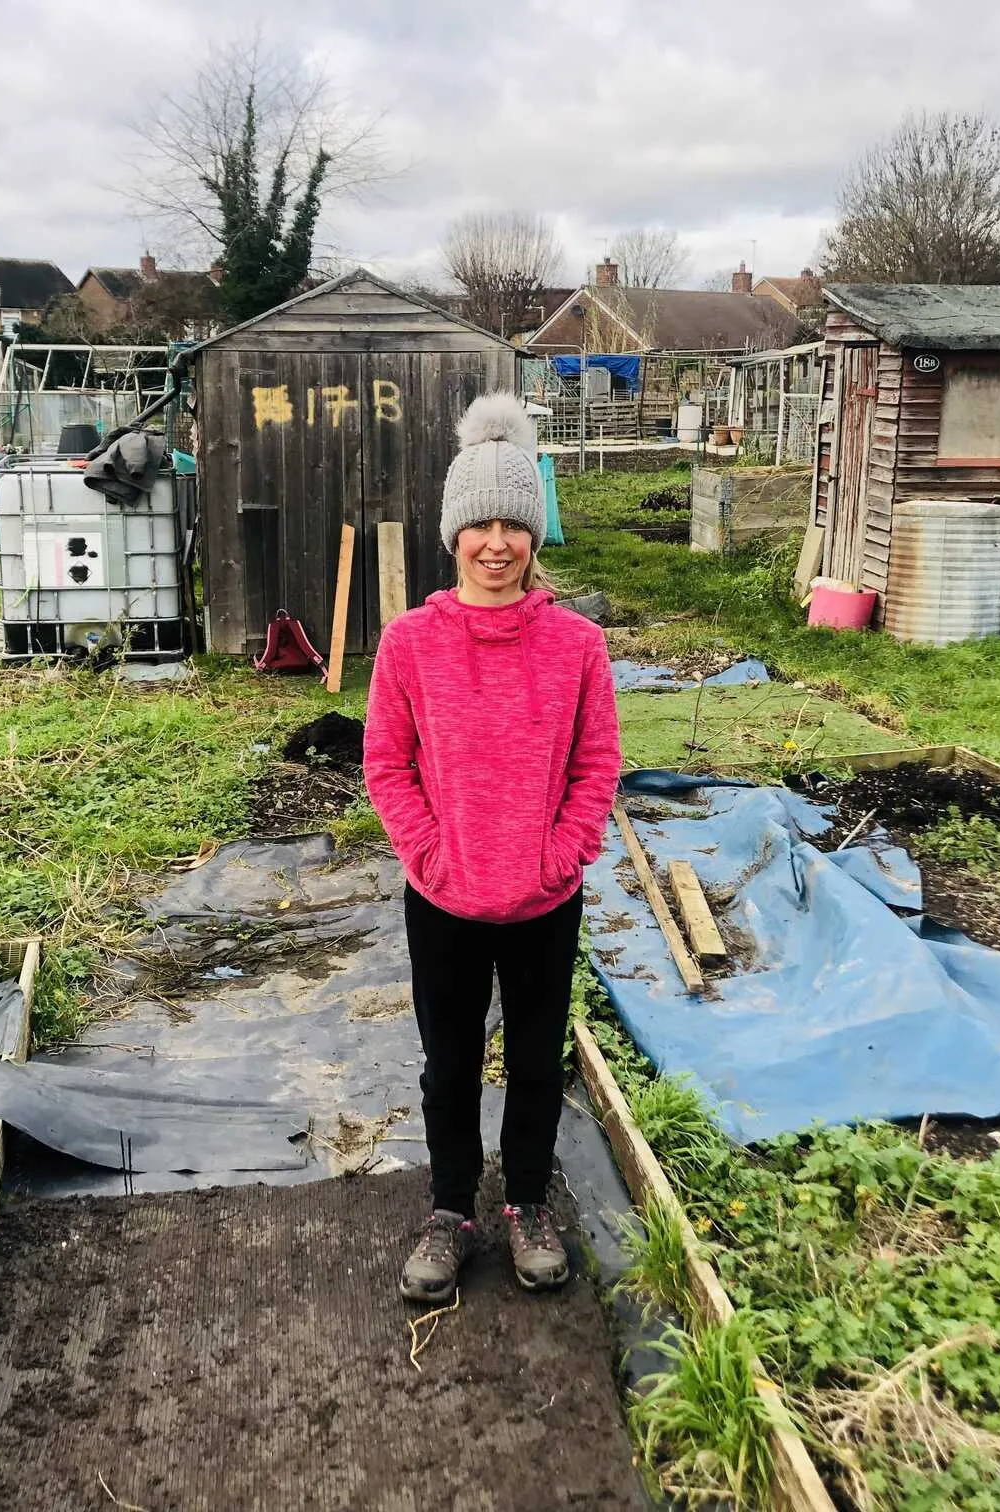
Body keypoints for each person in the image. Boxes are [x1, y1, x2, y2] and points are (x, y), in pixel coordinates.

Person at [364, 391, 622, 1303]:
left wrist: (561, 857)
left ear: (537, 533)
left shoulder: (578, 646)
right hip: (444, 900)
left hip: (545, 901)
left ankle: (526, 1204)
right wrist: (431, 860)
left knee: (539, 1057)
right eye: (482, 525)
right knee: (450, 1062)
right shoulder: (409, 645)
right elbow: (387, 766)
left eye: (517, 522)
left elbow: (598, 766)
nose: (498, 543)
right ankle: (448, 1209)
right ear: (454, 534)